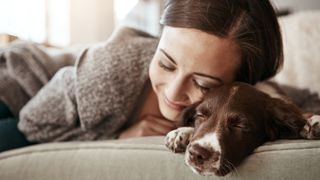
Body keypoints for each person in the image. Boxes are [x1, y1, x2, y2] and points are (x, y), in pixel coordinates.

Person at [0, 0, 283, 151]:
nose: (173, 92)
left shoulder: (245, 97)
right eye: (167, 64)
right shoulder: (111, 72)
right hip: (18, 87)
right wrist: (118, 139)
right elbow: (32, 123)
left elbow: (295, 101)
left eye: (202, 84)